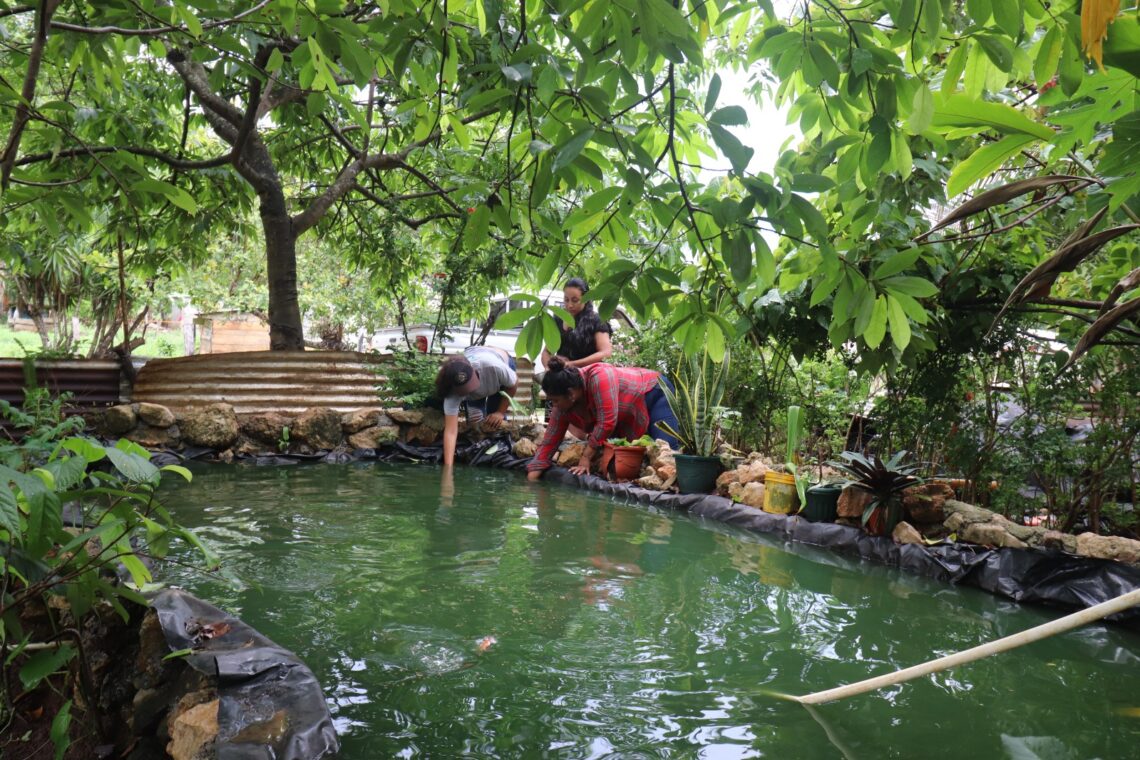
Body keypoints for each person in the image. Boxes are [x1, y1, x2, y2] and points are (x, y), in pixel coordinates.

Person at [526, 357, 679, 481]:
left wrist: (586, 458)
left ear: (571, 394)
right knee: (629, 462)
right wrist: (532, 480)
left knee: (665, 451)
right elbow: (550, 441)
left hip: (654, 391)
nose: (554, 405)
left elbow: (607, 422)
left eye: (555, 400)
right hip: (626, 408)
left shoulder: (599, 377)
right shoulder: (563, 405)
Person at [435, 346, 518, 466]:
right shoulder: (452, 392)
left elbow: (514, 384)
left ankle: (498, 458)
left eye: (470, 386)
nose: (471, 391)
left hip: (499, 365)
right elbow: (451, 431)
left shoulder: (494, 367)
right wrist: (448, 468)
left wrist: (500, 412)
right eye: (464, 390)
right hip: (479, 365)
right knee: (476, 423)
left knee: (495, 422)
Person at [540, 277, 613, 370]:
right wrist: (548, 368)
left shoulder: (597, 320)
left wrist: (571, 364)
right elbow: (546, 351)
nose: (570, 305)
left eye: (575, 300)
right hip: (562, 375)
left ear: (586, 299)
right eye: (566, 300)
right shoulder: (558, 318)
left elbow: (606, 353)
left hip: (586, 375)